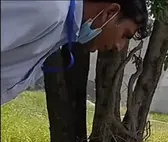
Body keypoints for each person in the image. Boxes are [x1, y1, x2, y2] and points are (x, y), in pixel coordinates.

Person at [1, 0, 149, 106]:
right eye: (125, 34)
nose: (119, 47)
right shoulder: (50, 10)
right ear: (110, 12)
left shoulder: (60, 32)